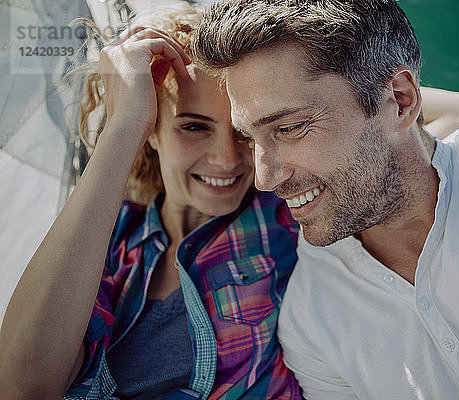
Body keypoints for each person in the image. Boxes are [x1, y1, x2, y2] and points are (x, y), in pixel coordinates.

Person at [192, 1, 459, 399]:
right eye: (250, 138)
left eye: (291, 127)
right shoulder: (311, 321)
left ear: (400, 101)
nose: (264, 178)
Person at [0, 4, 301, 399]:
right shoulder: (109, 237)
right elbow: (21, 385)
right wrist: (123, 125)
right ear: (152, 130)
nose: (227, 158)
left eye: (243, 131)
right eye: (194, 126)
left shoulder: (290, 219)